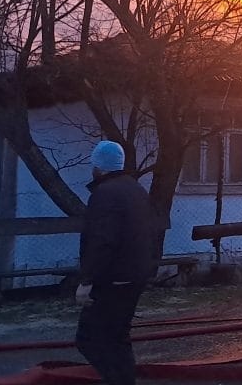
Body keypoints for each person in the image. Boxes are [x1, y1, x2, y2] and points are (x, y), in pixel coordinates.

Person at [75, 140, 158, 385]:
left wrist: (87, 281)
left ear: (98, 167)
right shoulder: (136, 190)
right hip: (136, 274)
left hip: (113, 278)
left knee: (89, 338)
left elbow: (102, 240)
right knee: (117, 337)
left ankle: (117, 380)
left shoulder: (105, 194)